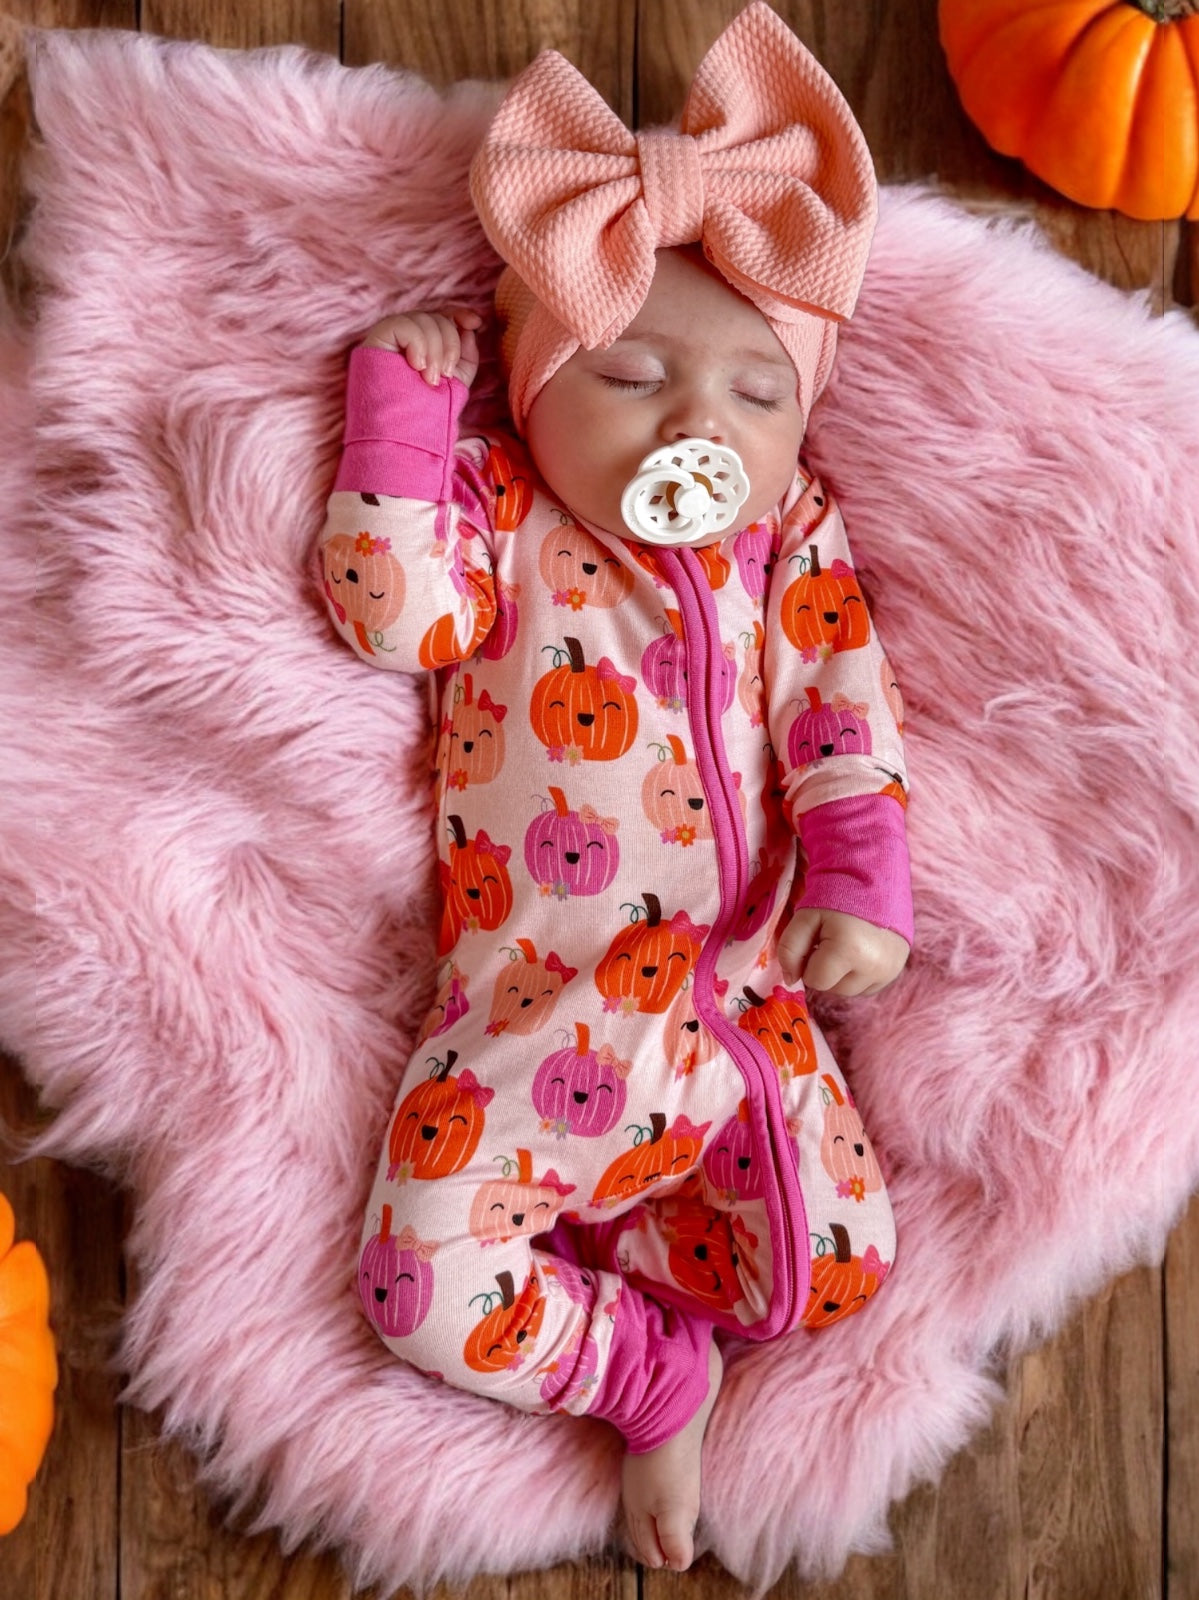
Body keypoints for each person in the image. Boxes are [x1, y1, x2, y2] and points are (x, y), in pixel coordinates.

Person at [320, 1, 911, 1572]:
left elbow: (842, 711)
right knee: (413, 1294)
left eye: (755, 398)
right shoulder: (504, 512)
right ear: (530, 385)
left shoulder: (789, 542)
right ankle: (647, 1373)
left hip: (738, 1008)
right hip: (523, 1016)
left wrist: (862, 885)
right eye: (636, 373)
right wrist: (404, 421)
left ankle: (653, 1256)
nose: (695, 426)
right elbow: (393, 612)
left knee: (840, 1272)